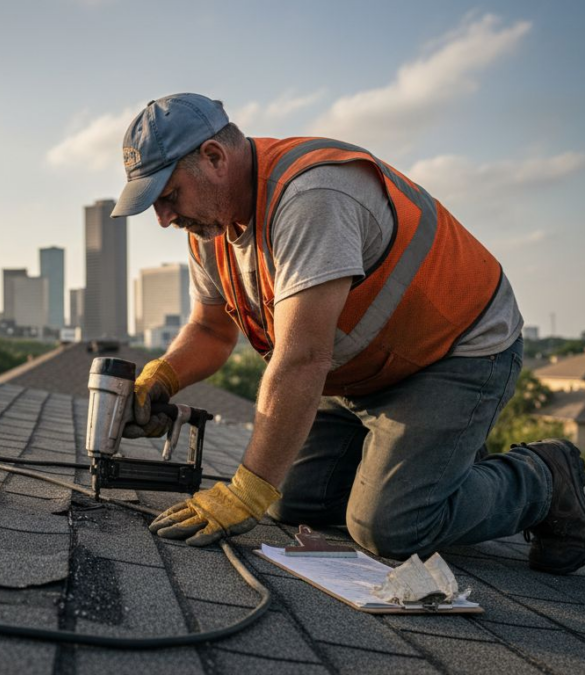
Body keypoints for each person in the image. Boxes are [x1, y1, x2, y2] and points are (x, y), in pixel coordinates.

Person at [115, 93, 585, 574]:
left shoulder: (311, 196)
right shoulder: (211, 228)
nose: (164, 218)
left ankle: (546, 477)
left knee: (392, 528)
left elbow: (302, 358)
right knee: (289, 501)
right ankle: (438, 461)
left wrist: (245, 490)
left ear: (214, 158)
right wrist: (163, 377)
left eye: (168, 195)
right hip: (363, 372)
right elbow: (210, 331)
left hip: (457, 353)